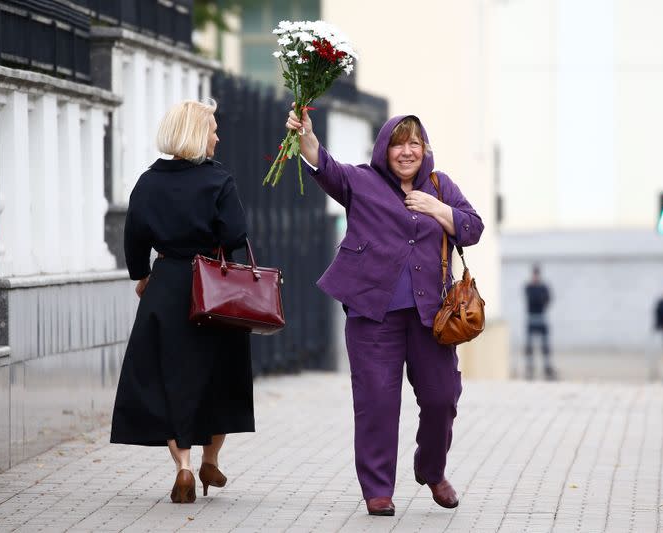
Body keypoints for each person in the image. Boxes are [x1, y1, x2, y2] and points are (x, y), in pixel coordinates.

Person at [285, 107, 484, 516]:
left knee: (442, 397)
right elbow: (325, 167)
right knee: (376, 402)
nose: (406, 151)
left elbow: (474, 227)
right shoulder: (362, 181)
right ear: (384, 148)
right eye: (398, 143)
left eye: (414, 143)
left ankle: (432, 470)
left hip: (433, 317)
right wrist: (306, 135)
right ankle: (377, 488)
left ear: (424, 149)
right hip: (372, 315)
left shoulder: (439, 185)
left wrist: (439, 210)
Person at [110, 99, 254, 504]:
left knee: (171, 379)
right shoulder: (218, 180)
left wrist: (142, 278)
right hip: (214, 288)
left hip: (167, 285)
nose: (217, 136)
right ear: (196, 134)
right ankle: (213, 457)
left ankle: (185, 467)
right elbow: (235, 236)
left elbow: (134, 238)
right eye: (212, 128)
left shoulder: (147, 182)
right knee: (220, 376)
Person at [524, 265, 554, 380]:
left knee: (545, 346)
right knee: (529, 346)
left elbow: (548, 299)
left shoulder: (543, 287)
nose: (535, 276)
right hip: (532, 317)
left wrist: (540, 299)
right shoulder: (529, 287)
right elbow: (533, 299)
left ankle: (547, 368)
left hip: (541, 317)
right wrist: (540, 299)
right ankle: (530, 368)